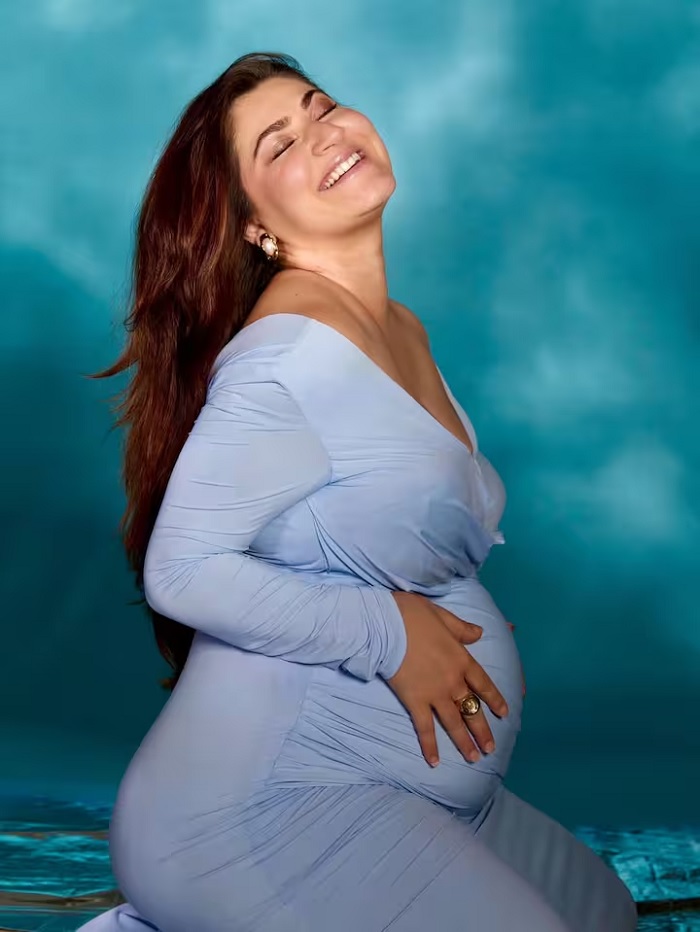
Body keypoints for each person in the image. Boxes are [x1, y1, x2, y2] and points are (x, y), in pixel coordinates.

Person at [78, 52, 637, 931]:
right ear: (255, 226)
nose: (325, 133)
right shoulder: (288, 357)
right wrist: (392, 632)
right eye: (279, 144)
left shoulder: (397, 325)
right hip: (262, 812)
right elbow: (181, 571)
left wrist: (461, 621)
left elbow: (369, 521)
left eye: (321, 105)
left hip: (418, 789)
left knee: (607, 914)